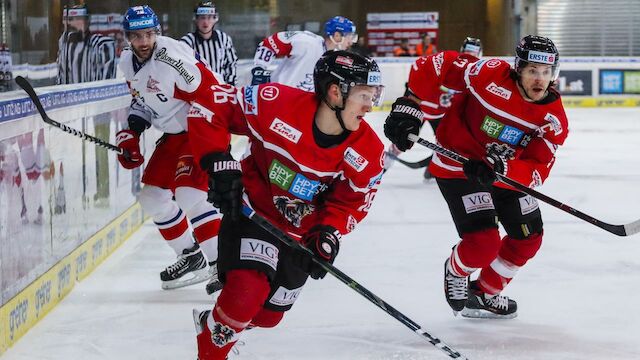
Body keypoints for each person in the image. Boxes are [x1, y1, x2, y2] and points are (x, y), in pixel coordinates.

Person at [186, 50, 385, 359]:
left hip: (298, 237)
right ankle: (215, 346)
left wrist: (327, 234)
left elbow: (353, 202)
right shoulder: (274, 102)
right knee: (244, 295)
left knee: (267, 317)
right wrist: (217, 161)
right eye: (364, 95)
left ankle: (214, 324)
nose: (370, 105)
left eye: (374, 95)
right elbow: (210, 103)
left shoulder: (368, 150)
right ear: (335, 92)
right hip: (253, 212)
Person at [383, 35, 568, 319]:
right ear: (518, 68)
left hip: (503, 175)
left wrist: (504, 169)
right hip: (458, 167)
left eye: (546, 72)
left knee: (528, 240)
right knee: (484, 244)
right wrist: (411, 102)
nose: (539, 79)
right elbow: (436, 64)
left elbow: (538, 168)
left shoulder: (553, 119)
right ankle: (456, 270)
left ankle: (483, 294)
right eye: (532, 70)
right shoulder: (488, 73)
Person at [116, 5, 225, 293]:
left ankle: (221, 267)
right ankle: (191, 256)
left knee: (190, 195)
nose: (144, 42)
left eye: (149, 34)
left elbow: (211, 93)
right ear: (127, 37)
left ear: (157, 33)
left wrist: (214, 141)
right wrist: (131, 132)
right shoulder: (127, 63)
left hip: (201, 128)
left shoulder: (171, 58)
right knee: (152, 198)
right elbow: (143, 102)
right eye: (137, 35)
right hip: (176, 134)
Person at [383, 37, 483, 178]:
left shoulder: (477, 75)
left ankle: (434, 166)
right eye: (467, 51)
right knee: (401, 140)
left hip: (441, 115)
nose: (470, 54)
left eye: (473, 51)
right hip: (421, 110)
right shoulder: (450, 65)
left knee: (446, 146)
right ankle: (382, 166)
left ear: (479, 53)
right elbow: (420, 76)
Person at [56, 4, 118, 205]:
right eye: (70, 20)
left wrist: (95, 103)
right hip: (72, 111)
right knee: (74, 151)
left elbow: (107, 78)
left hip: (98, 110)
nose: (73, 24)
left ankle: (103, 193)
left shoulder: (101, 43)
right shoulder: (64, 45)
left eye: (77, 19)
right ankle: (74, 195)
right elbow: (61, 76)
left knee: (99, 148)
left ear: (86, 21)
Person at [251, 15, 358, 92]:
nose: (352, 41)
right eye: (350, 36)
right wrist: (259, 68)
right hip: (278, 97)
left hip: (300, 106)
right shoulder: (306, 42)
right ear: (337, 36)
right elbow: (269, 44)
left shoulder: (334, 58)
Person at [180, 1, 238, 86]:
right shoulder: (187, 42)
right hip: (196, 91)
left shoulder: (223, 39)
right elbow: (181, 67)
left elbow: (231, 64)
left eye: (209, 17)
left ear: (215, 19)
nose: (206, 22)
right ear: (196, 19)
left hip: (220, 88)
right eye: (202, 17)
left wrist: (229, 86)